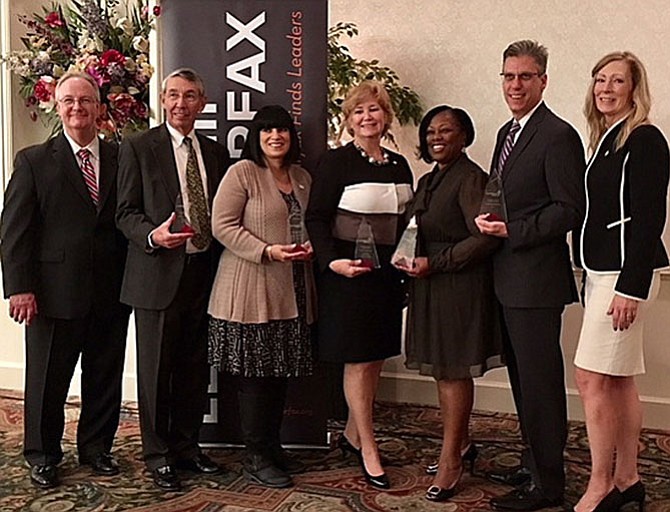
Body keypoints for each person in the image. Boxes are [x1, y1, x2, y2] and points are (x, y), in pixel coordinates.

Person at [0, 71, 130, 488]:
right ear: (58, 107)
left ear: (99, 108)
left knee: (104, 375)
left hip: (112, 288)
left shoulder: (120, 156)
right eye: (68, 101)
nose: (77, 108)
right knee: (46, 379)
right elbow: (15, 230)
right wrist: (19, 287)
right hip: (53, 292)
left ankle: (97, 449)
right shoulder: (34, 160)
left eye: (86, 101)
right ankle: (42, 454)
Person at [474, 40, 585, 511]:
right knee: (522, 379)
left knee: (540, 382)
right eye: (508, 76)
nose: (515, 85)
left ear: (543, 80)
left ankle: (549, 484)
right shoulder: (508, 132)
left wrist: (513, 230)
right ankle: (533, 461)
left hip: (536, 282)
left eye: (525, 76)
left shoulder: (558, 135)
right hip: (505, 277)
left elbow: (570, 209)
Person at [116, 68, 231, 491]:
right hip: (156, 275)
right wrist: (153, 235)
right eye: (173, 96)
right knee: (155, 372)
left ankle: (187, 446)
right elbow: (124, 213)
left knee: (194, 370)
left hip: (204, 273)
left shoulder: (216, 153)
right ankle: (157, 454)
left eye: (190, 97)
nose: (181, 104)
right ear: (162, 101)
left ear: (202, 103)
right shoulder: (139, 147)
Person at [572, 52, 669, 512]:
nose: (606, 88)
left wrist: (631, 285)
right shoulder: (606, 139)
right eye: (599, 80)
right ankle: (629, 478)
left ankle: (602, 484)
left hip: (623, 276)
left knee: (591, 378)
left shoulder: (645, 139)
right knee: (619, 380)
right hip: (601, 272)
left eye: (617, 81)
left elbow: (650, 217)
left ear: (634, 89)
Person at [305, 80, 413, 490]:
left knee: (376, 356)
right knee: (358, 358)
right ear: (349, 120)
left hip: (387, 275)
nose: (368, 117)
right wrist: (333, 261)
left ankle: (353, 433)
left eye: (375, 110)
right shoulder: (335, 162)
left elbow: (407, 221)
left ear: (386, 116)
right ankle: (369, 446)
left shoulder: (399, 164)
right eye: (359, 112)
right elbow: (316, 217)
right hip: (349, 276)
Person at [397, 105, 503, 502]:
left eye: (446, 130)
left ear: (465, 137)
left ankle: (450, 462)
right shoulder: (429, 180)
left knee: (454, 372)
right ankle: (461, 445)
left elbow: (487, 237)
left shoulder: (471, 179)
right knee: (443, 372)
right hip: (428, 282)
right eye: (430, 132)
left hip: (457, 285)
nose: (436, 137)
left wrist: (437, 262)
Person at [207, 105, 316, 488]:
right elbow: (220, 225)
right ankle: (254, 456)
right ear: (256, 136)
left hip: (293, 291)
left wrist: (310, 247)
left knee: (279, 373)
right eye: (267, 130)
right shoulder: (243, 173)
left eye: (282, 130)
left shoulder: (302, 177)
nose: (275, 136)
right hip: (249, 292)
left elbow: (310, 224)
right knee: (255, 377)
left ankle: (272, 447)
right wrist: (267, 250)